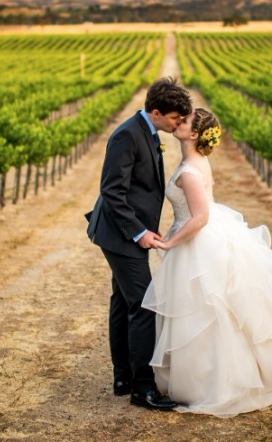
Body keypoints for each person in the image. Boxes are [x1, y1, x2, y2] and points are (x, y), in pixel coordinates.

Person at [142, 107, 272, 417]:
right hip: (208, 234)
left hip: (197, 240)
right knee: (213, 311)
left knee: (204, 313)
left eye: (183, 121)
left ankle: (212, 383)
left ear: (195, 134)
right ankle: (219, 376)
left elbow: (199, 217)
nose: (177, 123)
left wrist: (171, 242)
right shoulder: (197, 162)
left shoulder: (188, 170)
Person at [85, 77, 193, 410]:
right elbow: (112, 192)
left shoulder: (147, 131)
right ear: (157, 112)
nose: (177, 125)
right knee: (145, 304)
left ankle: (124, 377)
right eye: (175, 118)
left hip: (125, 232)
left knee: (122, 301)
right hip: (120, 234)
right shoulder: (127, 135)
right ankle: (143, 389)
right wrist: (139, 232)